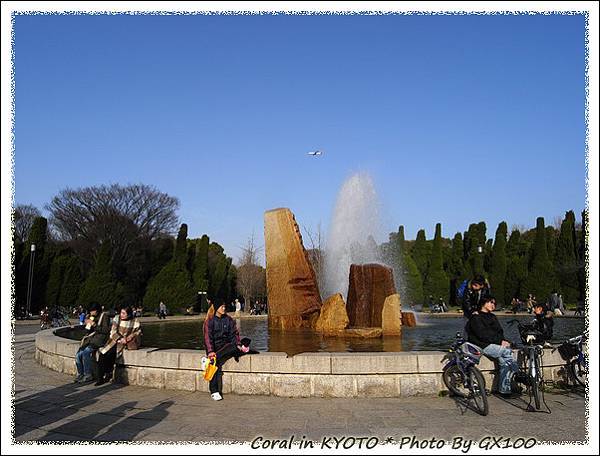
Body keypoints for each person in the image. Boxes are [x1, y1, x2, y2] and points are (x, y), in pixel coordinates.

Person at [466, 296, 522, 398]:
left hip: (493, 344)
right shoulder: (476, 317)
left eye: (494, 303)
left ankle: (505, 391)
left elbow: (499, 332)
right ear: (484, 303)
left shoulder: (492, 316)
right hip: (481, 345)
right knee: (507, 352)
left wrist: (503, 341)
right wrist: (500, 341)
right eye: (491, 302)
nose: (493, 305)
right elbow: (482, 335)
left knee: (504, 362)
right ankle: (517, 372)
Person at [204, 302, 251, 401]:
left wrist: (237, 344)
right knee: (215, 363)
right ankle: (214, 391)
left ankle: (215, 359)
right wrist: (210, 351)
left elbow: (234, 334)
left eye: (225, 306)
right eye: (222, 306)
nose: (224, 308)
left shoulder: (228, 320)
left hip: (226, 347)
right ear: (216, 308)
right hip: (215, 349)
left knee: (236, 345)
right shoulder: (210, 321)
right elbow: (208, 338)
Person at [96, 305, 142, 386]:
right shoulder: (117, 318)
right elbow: (113, 331)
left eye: (124, 313)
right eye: (121, 313)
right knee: (103, 354)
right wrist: (120, 339)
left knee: (111, 354)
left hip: (125, 343)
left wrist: (128, 338)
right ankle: (100, 377)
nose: (122, 315)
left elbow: (137, 332)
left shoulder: (135, 321)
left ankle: (107, 373)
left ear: (129, 314)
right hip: (114, 341)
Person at [74, 302, 111, 384]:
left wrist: (94, 325)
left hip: (99, 339)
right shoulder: (92, 316)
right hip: (91, 339)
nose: (91, 313)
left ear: (96, 310)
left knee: (86, 352)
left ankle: (88, 374)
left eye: (92, 311)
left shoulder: (104, 316)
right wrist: (87, 324)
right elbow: (87, 331)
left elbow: (106, 330)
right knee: (78, 355)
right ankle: (80, 373)